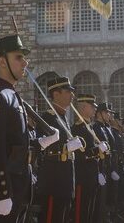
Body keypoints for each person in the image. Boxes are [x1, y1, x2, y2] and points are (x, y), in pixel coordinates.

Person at [0, 35, 59, 222]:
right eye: (18, 57)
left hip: (19, 183)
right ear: (2, 62)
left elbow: (16, 143)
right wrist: (1, 193)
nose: (25, 62)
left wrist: (41, 143)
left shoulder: (12, 95)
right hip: (4, 190)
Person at [37, 77, 83, 223]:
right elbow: (42, 147)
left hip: (65, 180)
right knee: (52, 217)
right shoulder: (47, 119)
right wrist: (65, 147)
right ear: (56, 94)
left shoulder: (62, 118)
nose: (72, 95)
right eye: (68, 91)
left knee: (62, 216)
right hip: (53, 181)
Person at [71, 94, 107, 223]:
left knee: (91, 211)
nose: (94, 110)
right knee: (82, 212)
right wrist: (97, 150)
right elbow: (80, 155)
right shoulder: (77, 128)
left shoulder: (89, 127)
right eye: (92, 107)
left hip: (92, 175)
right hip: (83, 177)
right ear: (83, 107)